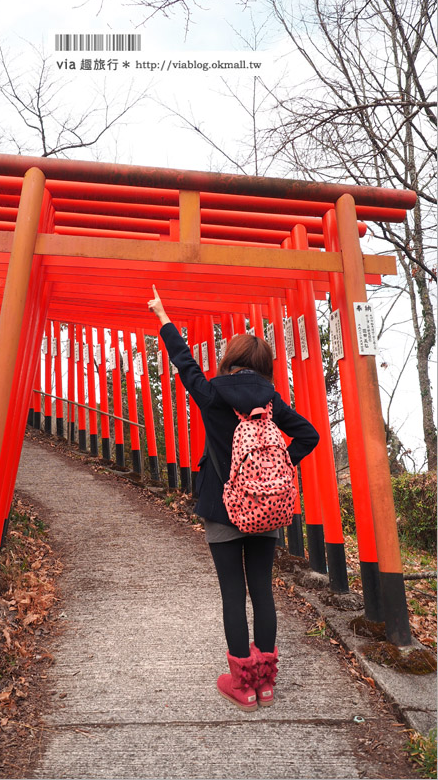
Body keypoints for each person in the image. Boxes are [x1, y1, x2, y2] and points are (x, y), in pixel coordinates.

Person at [147, 285, 319, 711]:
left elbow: (185, 365)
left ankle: (241, 685)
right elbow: (309, 435)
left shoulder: (213, 393)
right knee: (262, 589)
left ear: (230, 360)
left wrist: (163, 316)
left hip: (223, 508)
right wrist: (279, 462)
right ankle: (265, 684)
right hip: (266, 509)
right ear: (264, 367)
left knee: (232, 593)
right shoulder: (271, 400)